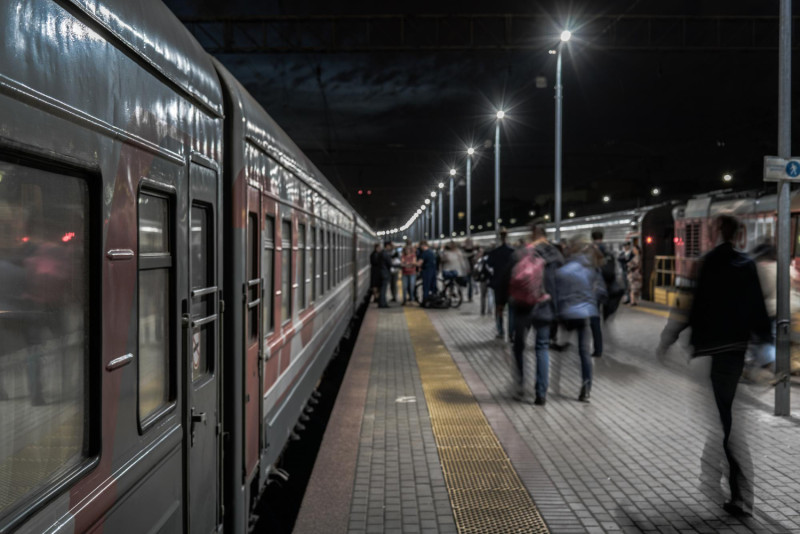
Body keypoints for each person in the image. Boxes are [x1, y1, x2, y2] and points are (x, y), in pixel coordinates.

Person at [688, 214, 770, 517]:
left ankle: (741, 497)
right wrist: (764, 348)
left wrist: (688, 341)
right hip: (736, 350)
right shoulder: (746, 264)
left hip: (713, 351)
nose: (708, 234)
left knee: (728, 425)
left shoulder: (709, 262)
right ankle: (721, 480)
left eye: (711, 229)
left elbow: (698, 305)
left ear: (719, 232)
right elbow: (757, 308)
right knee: (725, 420)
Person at [510, 222, 564, 404]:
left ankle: (520, 385)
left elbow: (511, 279)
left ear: (532, 235)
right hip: (545, 306)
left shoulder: (522, 252)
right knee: (542, 348)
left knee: (519, 346)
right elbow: (557, 285)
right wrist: (557, 312)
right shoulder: (556, 254)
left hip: (522, 307)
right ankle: (541, 393)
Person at [555, 235, 607, 402]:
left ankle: (555, 382)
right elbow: (600, 291)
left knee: (561, 348)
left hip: (567, 314)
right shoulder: (591, 269)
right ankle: (586, 386)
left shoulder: (563, 271)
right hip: (585, 314)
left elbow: (558, 295)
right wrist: (591, 302)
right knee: (584, 352)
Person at [590, 229, 624, 357]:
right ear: (602, 237)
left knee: (594, 319)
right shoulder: (610, 251)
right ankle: (607, 337)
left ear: (592, 237)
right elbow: (617, 271)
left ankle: (598, 348)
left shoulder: (591, 251)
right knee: (605, 317)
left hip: (596, 289)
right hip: (609, 288)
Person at [487, 229, 515, 341]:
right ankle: (511, 333)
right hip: (511, 284)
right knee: (512, 310)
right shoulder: (513, 252)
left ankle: (500, 331)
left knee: (499, 308)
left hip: (498, 284)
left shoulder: (494, 252)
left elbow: (489, 265)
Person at [378, 241, 393, 308]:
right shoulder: (385, 253)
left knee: (382, 289)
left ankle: (382, 303)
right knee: (383, 289)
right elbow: (389, 263)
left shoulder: (381, 253)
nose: (390, 247)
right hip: (385, 273)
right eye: (390, 246)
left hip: (381, 273)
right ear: (387, 246)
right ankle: (382, 303)